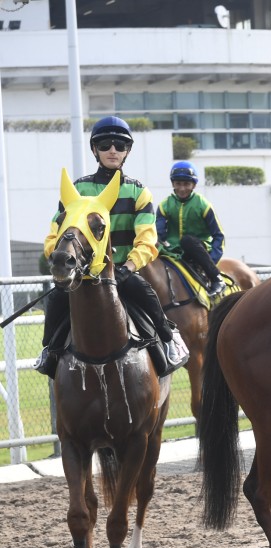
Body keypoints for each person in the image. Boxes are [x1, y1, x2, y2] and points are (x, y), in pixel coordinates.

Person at [36, 116, 188, 377]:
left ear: (127, 151)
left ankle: (168, 336)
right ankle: (49, 350)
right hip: (81, 272)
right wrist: (63, 259)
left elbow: (147, 240)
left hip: (120, 272)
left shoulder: (139, 192)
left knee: (146, 293)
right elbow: (55, 235)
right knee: (56, 300)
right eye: (105, 144)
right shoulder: (77, 189)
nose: (112, 150)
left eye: (119, 145)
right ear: (95, 150)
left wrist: (128, 268)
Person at [155, 161, 227, 297]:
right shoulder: (164, 205)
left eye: (186, 184)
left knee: (187, 240)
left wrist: (211, 261)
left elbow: (219, 236)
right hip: (173, 252)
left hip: (198, 250)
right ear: (173, 184)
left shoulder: (202, 204)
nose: (182, 189)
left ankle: (217, 279)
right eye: (178, 184)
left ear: (193, 185)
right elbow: (158, 234)